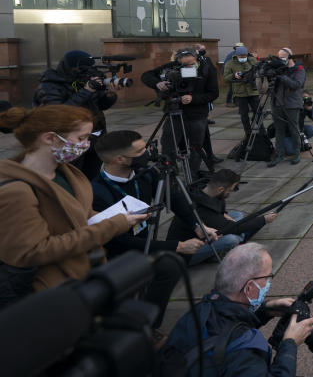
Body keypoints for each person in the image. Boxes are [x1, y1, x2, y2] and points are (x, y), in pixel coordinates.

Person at [0, 106, 147, 297]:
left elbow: (76, 216)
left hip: (83, 275)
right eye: (81, 138)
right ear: (50, 138)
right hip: (53, 292)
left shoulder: (66, 173)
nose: (86, 144)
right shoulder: (16, 190)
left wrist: (113, 217)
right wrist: (115, 224)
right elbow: (33, 251)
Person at [90, 130, 208, 325]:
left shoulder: (145, 173)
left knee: (177, 258)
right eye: (140, 151)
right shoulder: (98, 192)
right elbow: (116, 241)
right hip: (118, 252)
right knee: (170, 265)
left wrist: (197, 225)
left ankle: (149, 318)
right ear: (120, 159)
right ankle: (146, 324)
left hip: (146, 239)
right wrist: (176, 246)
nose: (147, 154)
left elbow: (176, 199)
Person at [165, 243, 313, 376]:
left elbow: (226, 330)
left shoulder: (201, 310)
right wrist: (290, 344)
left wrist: (264, 312)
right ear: (250, 288)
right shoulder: (243, 355)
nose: (269, 283)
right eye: (267, 277)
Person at [34, 50, 120, 179]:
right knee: (71, 178)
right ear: (72, 67)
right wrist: (86, 91)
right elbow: (59, 113)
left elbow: (101, 105)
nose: (87, 72)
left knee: (93, 176)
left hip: (94, 138)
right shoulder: (49, 85)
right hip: (68, 141)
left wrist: (110, 94)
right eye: (84, 69)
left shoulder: (84, 79)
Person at [167, 168, 276, 265]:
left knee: (237, 215)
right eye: (229, 190)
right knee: (232, 239)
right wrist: (264, 220)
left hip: (206, 232)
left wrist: (227, 218)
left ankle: (235, 237)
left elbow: (221, 212)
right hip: (187, 253)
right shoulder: (202, 209)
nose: (230, 193)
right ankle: (212, 254)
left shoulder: (205, 190)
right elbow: (235, 227)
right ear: (220, 189)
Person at [141, 47, 220, 177]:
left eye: (191, 63)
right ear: (178, 61)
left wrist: (193, 98)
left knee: (196, 147)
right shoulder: (173, 67)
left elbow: (213, 93)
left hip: (197, 114)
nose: (188, 66)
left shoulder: (207, 69)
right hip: (174, 111)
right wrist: (158, 83)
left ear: (197, 58)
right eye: (184, 64)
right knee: (168, 145)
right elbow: (146, 75)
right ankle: (170, 174)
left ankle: (193, 175)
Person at [270, 48, 306, 166]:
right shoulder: (278, 69)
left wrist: (281, 76)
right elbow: (266, 87)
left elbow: (296, 84)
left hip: (292, 104)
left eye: (282, 57)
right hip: (277, 103)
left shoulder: (299, 69)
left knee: (293, 129)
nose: (280, 59)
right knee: (279, 130)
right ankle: (279, 154)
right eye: (279, 57)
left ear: (289, 57)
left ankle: (296, 154)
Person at [223, 46, 258, 138]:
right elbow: (225, 78)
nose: (242, 58)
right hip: (239, 92)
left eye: (244, 56)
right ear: (236, 55)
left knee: (258, 112)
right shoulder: (230, 63)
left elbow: (260, 72)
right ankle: (248, 133)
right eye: (240, 56)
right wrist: (234, 75)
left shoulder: (252, 60)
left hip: (253, 91)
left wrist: (253, 75)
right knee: (244, 114)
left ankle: (260, 130)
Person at [222, 42, 245, 107]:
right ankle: (228, 101)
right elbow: (226, 66)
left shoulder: (238, 54)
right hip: (231, 74)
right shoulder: (232, 55)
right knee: (232, 88)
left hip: (235, 74)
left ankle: (235, 101)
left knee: (236, 88)